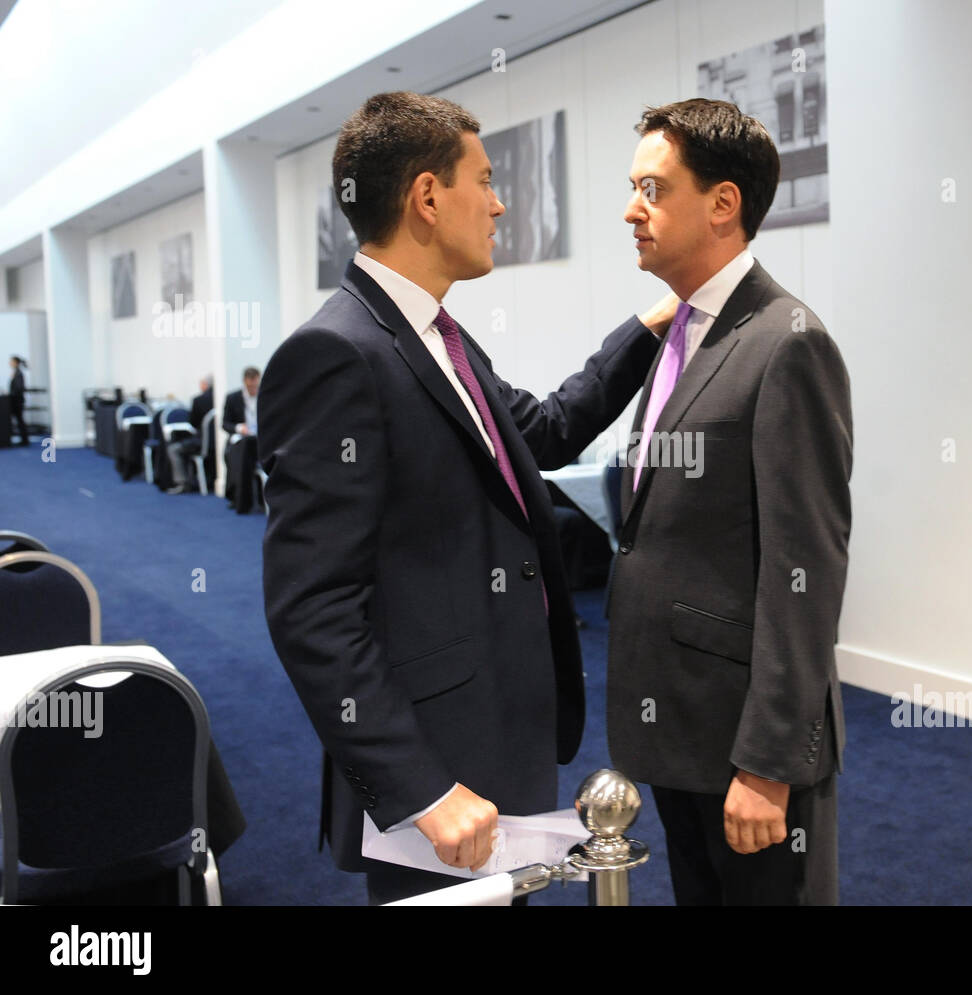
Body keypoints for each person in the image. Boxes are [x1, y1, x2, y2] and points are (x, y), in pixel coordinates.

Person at [258, 91, 675, 905]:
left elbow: (546, 430)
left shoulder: (435, 335)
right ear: (425, 196)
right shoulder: (336, 354)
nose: (499, 201)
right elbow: (311, 606)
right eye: (483, 180)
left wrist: (659, 321)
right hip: (432, 769)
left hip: (491, 735)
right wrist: (417, 786)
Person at [606, 99, 854, 905]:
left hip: (746, 750)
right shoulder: (682, 333)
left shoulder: (788, 343)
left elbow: (805, 567)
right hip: (681, 730)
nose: (631, 209)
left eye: (653, 187)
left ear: (723, 203)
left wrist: (769, 763)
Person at [166, 374, 214, 494]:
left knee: (173, 449)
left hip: (202, 442)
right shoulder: (221, 397)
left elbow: (193, 423)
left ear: (204, 385)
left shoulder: (198, 400)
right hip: (216, 444)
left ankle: (182, 482)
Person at [222, 367, 260, 512]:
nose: (253, 389)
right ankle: (239, 497)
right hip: (240, 440)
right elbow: (224, 424)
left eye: (256, 385)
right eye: (250, 386)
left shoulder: (264, 396)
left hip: (258, 440)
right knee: (239, 454)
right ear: (245, 382)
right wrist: (239, 428)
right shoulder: (233, 398)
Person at [8, 356, 29, 446]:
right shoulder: (16, 372)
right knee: (19, 420)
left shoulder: (18, 373)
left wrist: (11, 394)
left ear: (16, 362)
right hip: (16, 401)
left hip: (17, 401)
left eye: (11, 361)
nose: (10, 363)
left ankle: (25, 440)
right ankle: (24, 439)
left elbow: (19, 388)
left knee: (20, 420)